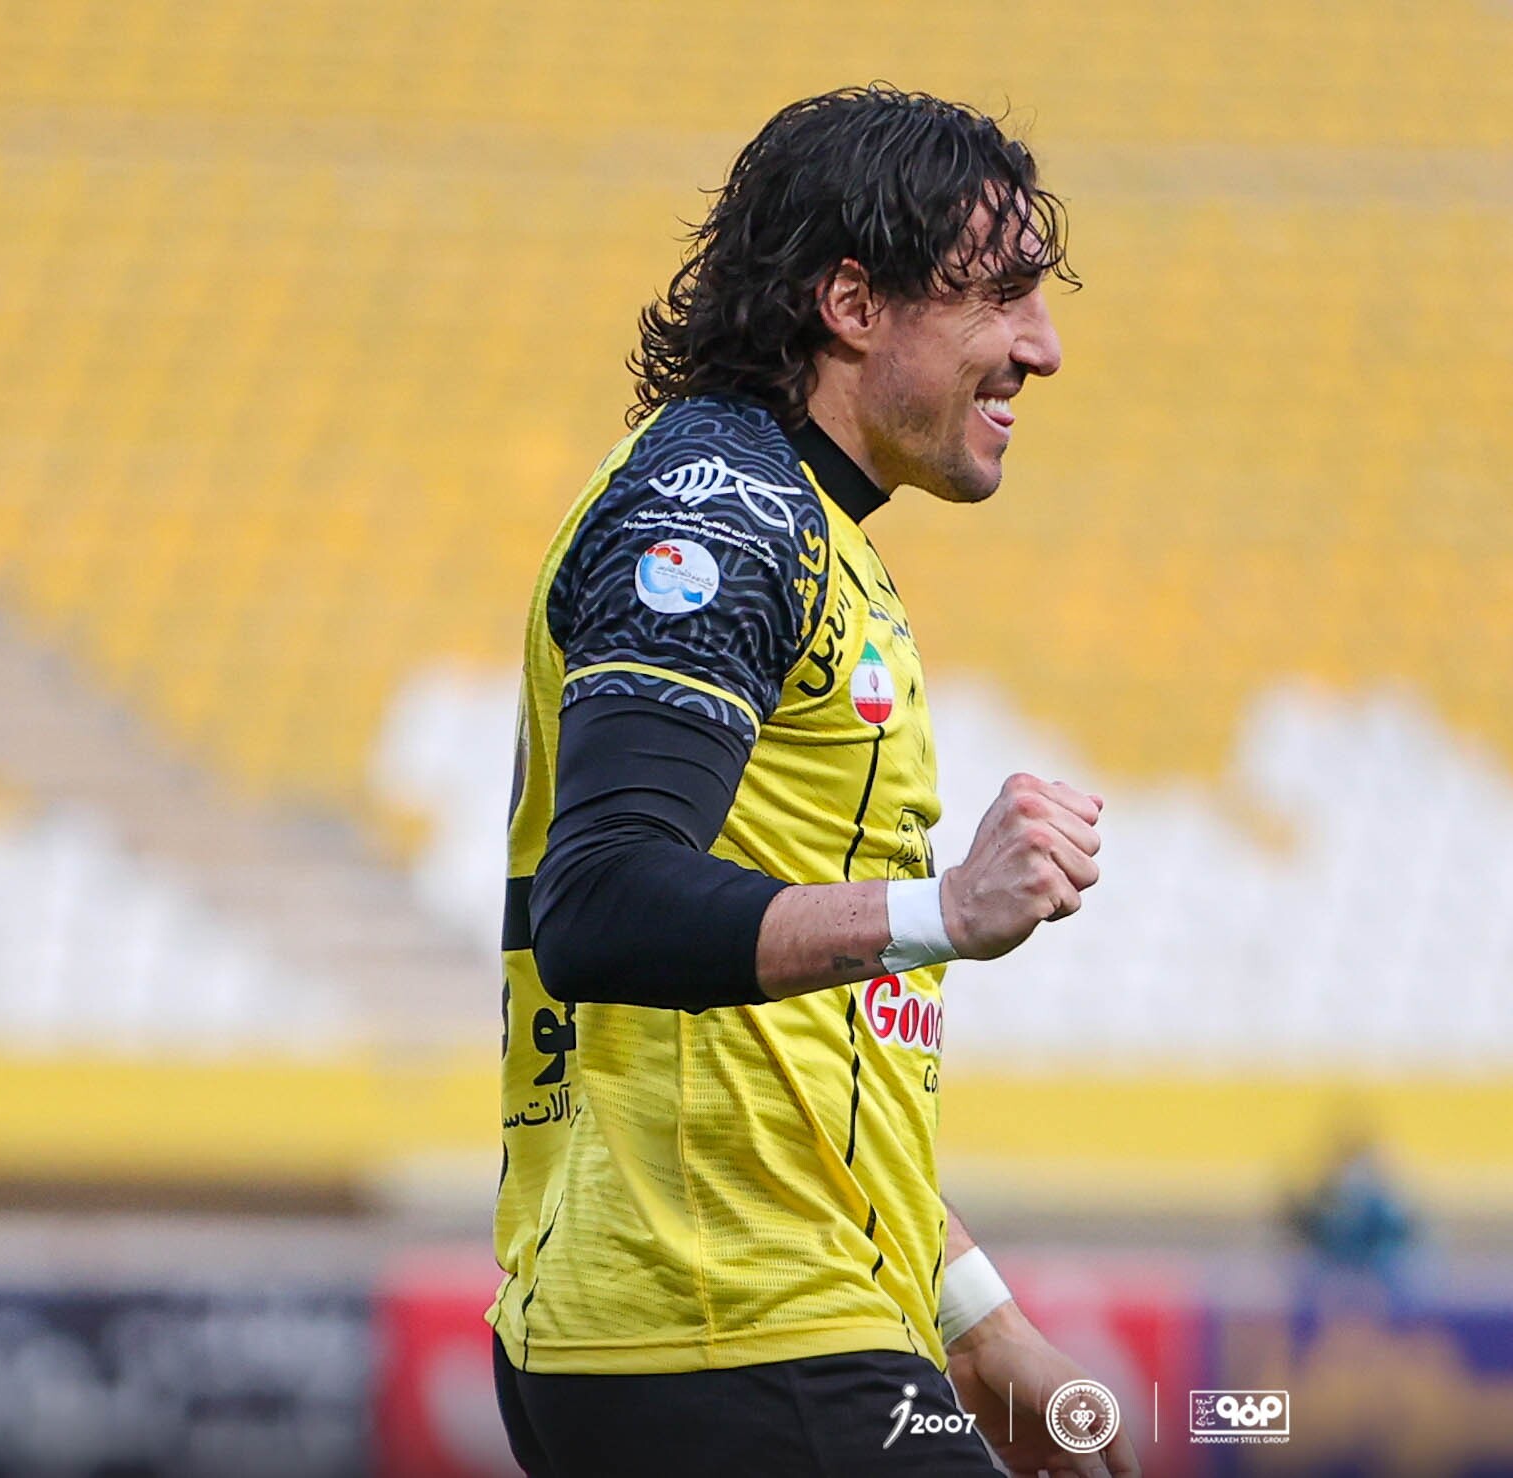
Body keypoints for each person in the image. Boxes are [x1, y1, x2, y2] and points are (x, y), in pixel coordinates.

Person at [487, 85, 1139, 1477]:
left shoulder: (792, 520)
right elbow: (601, 904)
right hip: (728, 1329)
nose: (1044, 345)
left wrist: (975, 1319)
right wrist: (942, 909)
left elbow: (801, 1054)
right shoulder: (715, 516)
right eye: (1001, 294)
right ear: (851, 302)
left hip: (745, 1324)